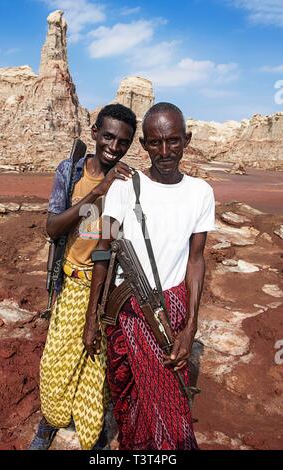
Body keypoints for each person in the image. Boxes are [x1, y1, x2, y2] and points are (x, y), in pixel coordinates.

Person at [83, 102, 215, 450]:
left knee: (172, 404)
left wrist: (191, 327)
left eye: (173, 140)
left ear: (187, 139)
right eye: (155, 143)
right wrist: (91, 319)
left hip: (169, 312)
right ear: (143, 144)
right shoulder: (125, 186)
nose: (165, 151)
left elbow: (196, 260)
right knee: (128, 399)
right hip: (125, 311)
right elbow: (102, 250)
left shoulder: (201, 192)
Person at [29, 103, 137, 450]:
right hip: (71, 282)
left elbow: (116, 239)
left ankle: (91, 432)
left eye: (123, 141)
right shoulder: (71, 172)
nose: (114, 147)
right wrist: (96, 192)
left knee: (95, 363)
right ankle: (49, 422)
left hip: (105, 287)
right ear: (94, 133)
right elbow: (52, 227)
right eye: (108, 136)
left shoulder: (125, 183)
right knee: (57, 361)